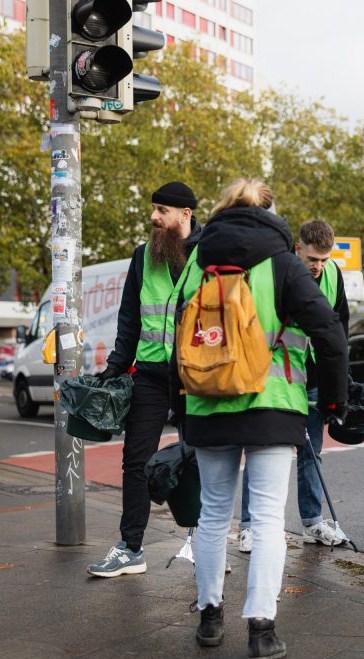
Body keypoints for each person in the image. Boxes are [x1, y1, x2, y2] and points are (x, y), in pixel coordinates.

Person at [170, 179, 348, 659]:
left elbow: (176, 339)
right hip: (272, 404)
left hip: (207, 404)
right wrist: (335, 400)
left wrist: (179, 406)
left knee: (212, 514)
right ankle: (261, 632)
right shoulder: (285, 264)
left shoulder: (198, 263)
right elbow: (329, 332)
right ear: (271, 215)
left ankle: (209, 615)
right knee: (268, 519)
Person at [86, 181, 202, 578]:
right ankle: (130, 547)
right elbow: (130, 319)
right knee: (135, 461)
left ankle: (204, 546)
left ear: (185, 215)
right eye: (153, 209)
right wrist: (115, 369)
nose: (154, 217)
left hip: (197, 377)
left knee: (203, 461)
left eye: (162, 211)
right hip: (150, 375)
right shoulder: (143, 256)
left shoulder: (209, 254)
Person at [237, 219, 350, 552]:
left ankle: (312, 521)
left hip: (313, 376)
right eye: (312, 259)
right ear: (297, 248)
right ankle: (248, 526)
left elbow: (340, 327)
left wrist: (340, 380)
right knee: (260, 450)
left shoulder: (332, 275)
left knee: (311, 452)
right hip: (278, 374)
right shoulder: (274, 269)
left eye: (324, 260)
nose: (318, 267)